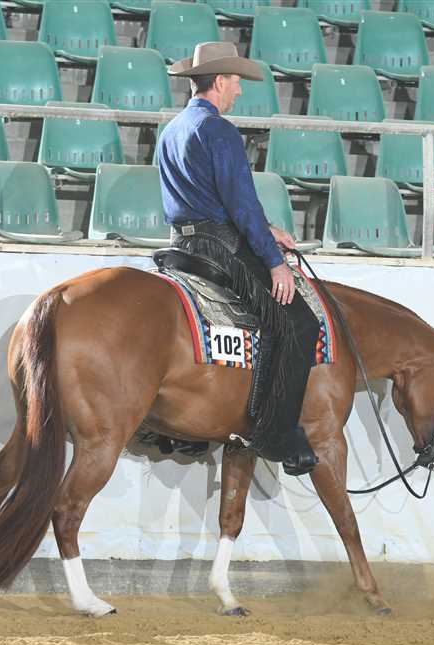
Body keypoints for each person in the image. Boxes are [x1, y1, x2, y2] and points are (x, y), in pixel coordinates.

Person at [156, 41, 320, 477]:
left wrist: (267, 228)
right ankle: (276, 433)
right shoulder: (219, 130)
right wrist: (275, 261)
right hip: (219, 247)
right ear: (219, 81)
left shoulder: (172, 129)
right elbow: (240, 204)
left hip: (181, 245)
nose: (239, 91)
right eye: (235, 82)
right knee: (299, 324)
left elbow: (207, 197)